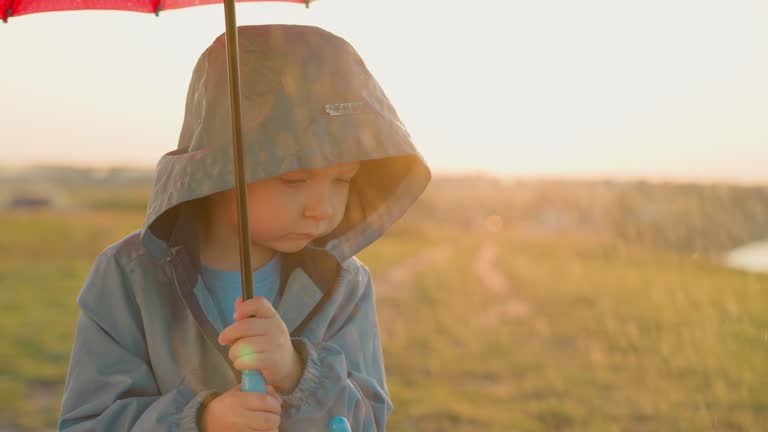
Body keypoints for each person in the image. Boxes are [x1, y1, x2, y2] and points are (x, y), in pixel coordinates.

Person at [57, 24, 431, 431]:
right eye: (294, 180)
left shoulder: (343, 283)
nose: (322, 209)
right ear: (216, 170)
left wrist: (296, 373)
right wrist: (202, 421)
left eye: (342, 180)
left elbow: (368, 421)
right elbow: (86, 423)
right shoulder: (127, 277)